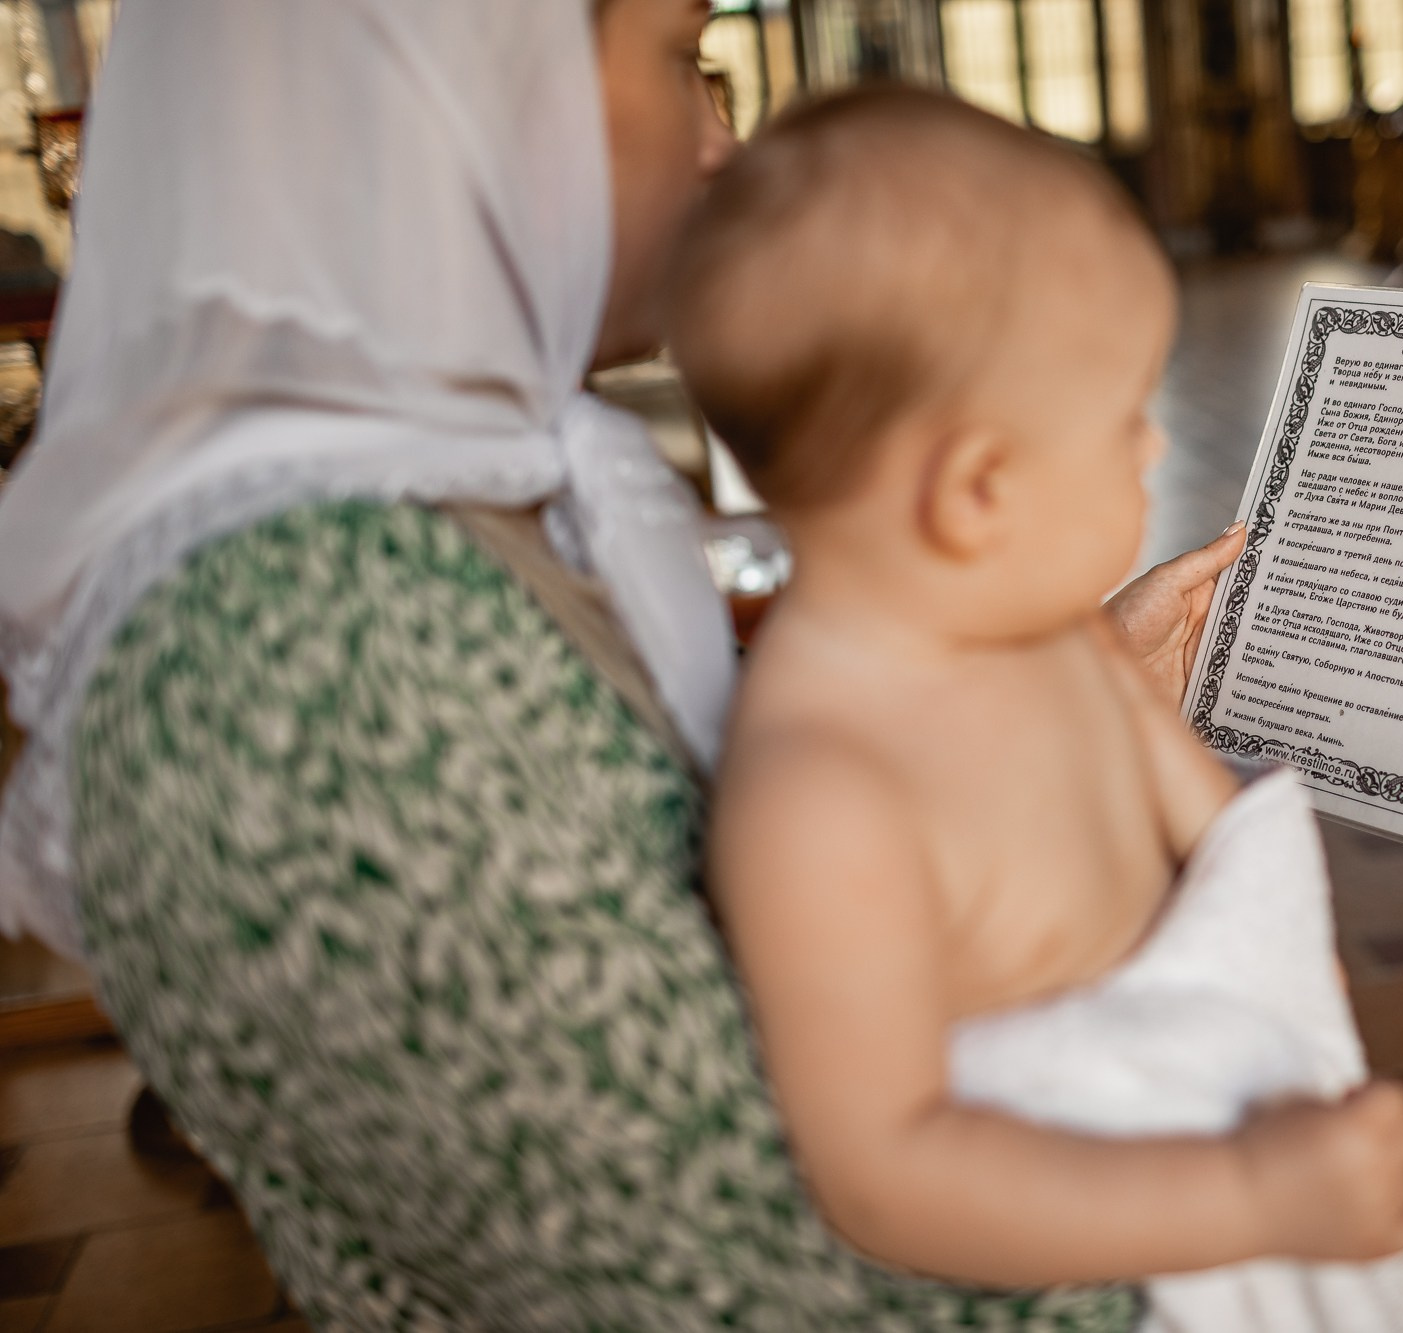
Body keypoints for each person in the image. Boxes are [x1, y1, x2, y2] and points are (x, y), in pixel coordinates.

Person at [0, 1, 1243, 1327]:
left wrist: (1064, 719)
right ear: (459, 97)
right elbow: (786, 1290)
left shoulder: (433, 520)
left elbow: (737, 908)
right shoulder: (318, 650)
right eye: (676, 58)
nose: (720, 145)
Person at [670, 89, 1403, 1332]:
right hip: (1146, 1260)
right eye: (1120, 417)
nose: (1147, 451)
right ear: (976, 491)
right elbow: (886, 1172)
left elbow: (1237, 853)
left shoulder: (1051, 640)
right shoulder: (819, 793)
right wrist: (1247, 1189)